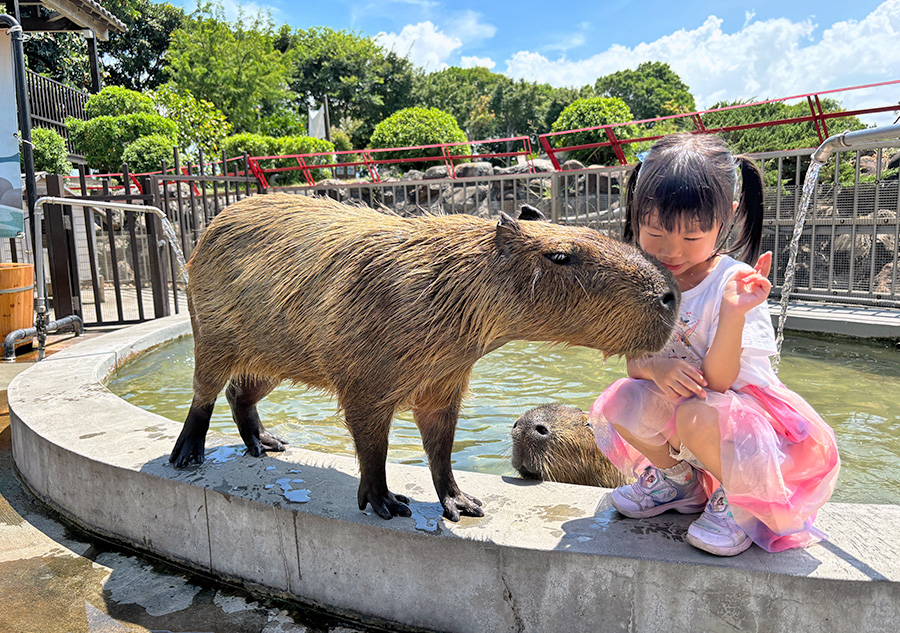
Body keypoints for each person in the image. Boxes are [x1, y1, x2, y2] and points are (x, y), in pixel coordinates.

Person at [590, 134, 840, 556]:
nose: (670, 251)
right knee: (620, 399)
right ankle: (680, 485)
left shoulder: (733, 284)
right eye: (654, 233)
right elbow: (635, 361)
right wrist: (655, 369)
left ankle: (741, 504)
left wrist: (734, 313)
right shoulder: (645, 276)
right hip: (695, 409)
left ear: (725, 219)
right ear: (636, 216)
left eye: (690, 238)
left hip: (751, 424)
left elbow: (722, 381)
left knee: (692, 415)